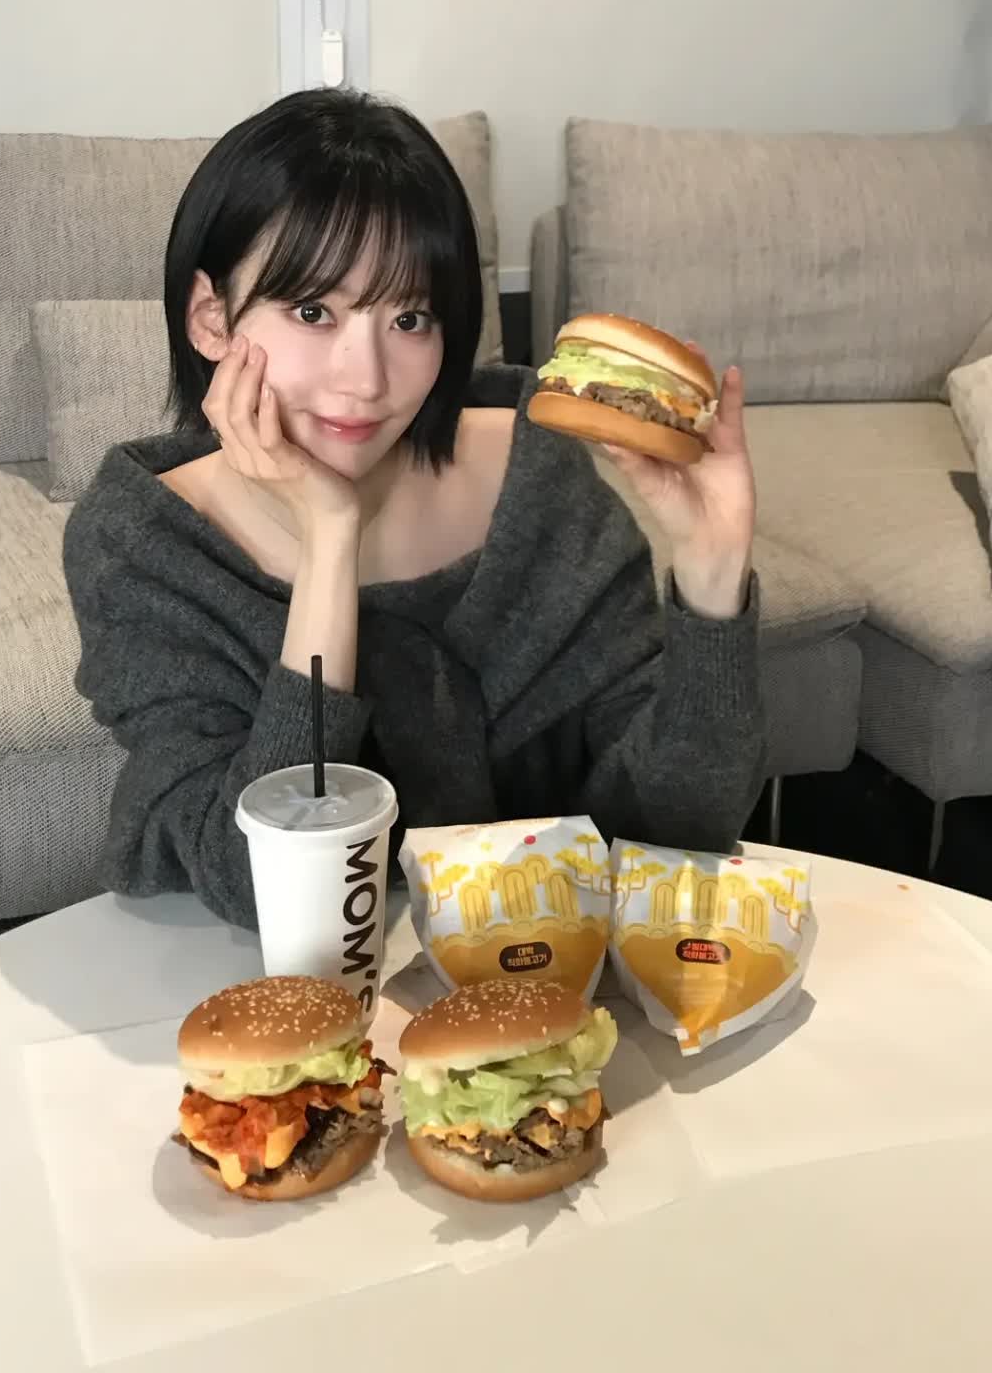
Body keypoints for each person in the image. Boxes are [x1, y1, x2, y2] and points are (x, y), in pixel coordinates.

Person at [62, 89, 765, 929]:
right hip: (281, 983)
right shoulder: (145, 542)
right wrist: (330, 543)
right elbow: (262, 887)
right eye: (312, 311)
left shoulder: (534, 471)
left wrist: (712, 574)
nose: (366, 379)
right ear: (211, 318)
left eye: (409, 317)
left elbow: (675, 831)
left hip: (542, 970)